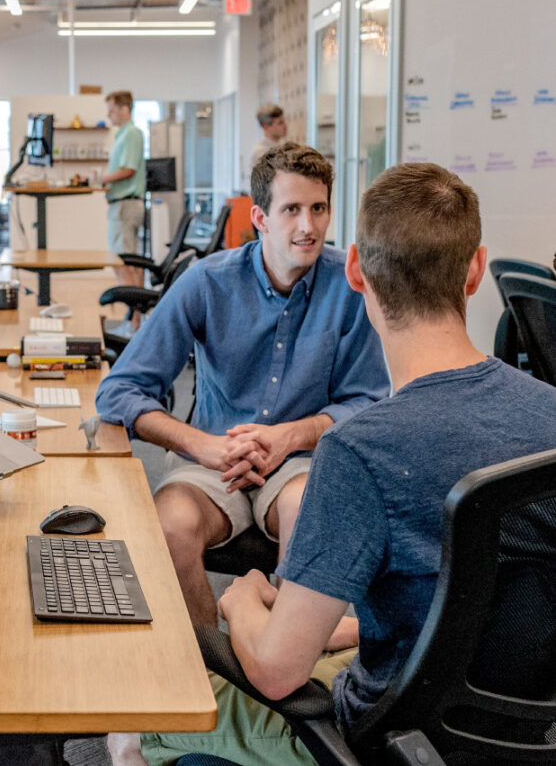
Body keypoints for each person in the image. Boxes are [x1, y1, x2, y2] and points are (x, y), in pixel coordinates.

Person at [112, 162, 556, 766]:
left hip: (379, 734)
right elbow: (471, 602)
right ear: (476, 270)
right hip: (525, 735)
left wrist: (241, 600)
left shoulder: (359, 452)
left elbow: (275, 672)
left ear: (355, 272)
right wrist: (344, 629)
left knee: (133, 720)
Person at [96, 143, 390, 628]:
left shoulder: (351, 287)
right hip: (212, 459)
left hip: (301, 462)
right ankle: (208, 659)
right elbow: (118, 391)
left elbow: (369, 402)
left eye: (318, 208)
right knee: (168, 527)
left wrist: (290, 436)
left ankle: (284, 655)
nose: (308, 226)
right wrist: (201, 445)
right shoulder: (207, 282)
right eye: (291, 210)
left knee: (308, 515)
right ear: (260, 218)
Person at [101, 90, 146, 288]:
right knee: (129, 262)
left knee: (122, 262)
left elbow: (128, 170)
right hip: (123, 205)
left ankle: (133, 307)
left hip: (126, 205)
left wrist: (101, 179)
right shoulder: (123, 135)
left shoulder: (131, 134)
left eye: (111, 110)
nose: (108, 115)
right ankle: (137, 306)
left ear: (125, 109)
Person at [240, 104, 287, 195]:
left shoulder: (285, 146)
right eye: (280, 123)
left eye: (284, 121)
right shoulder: (260, 153)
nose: (285, 125)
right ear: (266, 126)